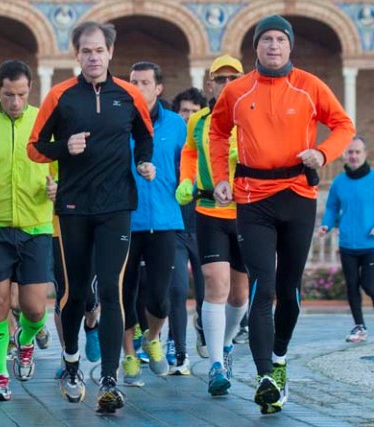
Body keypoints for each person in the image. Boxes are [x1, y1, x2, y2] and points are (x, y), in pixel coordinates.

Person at [209, 15, 355, 414]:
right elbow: (217, 132)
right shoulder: (237, 90)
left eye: (280, 39)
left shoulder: (310, 86)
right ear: (255, 47)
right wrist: (221, 177)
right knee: (263, 286)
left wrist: (323, 153)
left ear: (290, 46)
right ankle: (265, 378)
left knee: (289, 290)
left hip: (297, 195)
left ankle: (279, 359)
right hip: (252, 198)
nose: (273, 46)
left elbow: (343, 125)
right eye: (266, 39)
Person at [28, 21, 155, 413]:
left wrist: (144, 160)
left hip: (117, 207)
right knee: (77, 293)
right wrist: (65, 146)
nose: (94, 57)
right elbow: (35, 148)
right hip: (73, 208)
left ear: (111, 53)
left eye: (100, 50)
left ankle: (110, 380)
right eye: (87, 51)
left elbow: (145, 135)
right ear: (76, 54)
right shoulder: (61, 96)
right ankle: (70, 363)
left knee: (112, 294)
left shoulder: (129, 95)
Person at [0, 59, 52, 401]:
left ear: (29, 90)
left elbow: (63, 167)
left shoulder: (45, 123)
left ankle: (26, 340)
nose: (15, 102)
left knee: (34, 309)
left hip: (36, 225)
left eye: (21, 94)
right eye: (7, 95)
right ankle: (1, 374)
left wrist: (58, 186)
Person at [177, 54, 250, 396]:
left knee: (239, 293)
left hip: (248, 213)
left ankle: (227, 342)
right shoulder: (200, 121)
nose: (225, 85)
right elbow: (190, 153)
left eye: (231, 78)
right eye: (219, 79)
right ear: (209, 84)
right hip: (209, 208)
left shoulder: (251, 117)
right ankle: (217, 364)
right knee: (214, 283)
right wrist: (186, 180)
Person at [120, 61, 186, 385]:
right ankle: (130, 354)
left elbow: (184, 165)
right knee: (124, 293)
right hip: (125, 220)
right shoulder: (120, 121)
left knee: (160, 297)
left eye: (145, 82)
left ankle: (153, 338)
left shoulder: (176, 124)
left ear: (158, 88)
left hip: (164, 219)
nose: (138, 87)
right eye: (133, 82)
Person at [319, 136, 374, 343]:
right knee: (351, 286)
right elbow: (332, 206)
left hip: (370, 244)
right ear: (345, 154)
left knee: (369, 285)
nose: (353, 156)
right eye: (350, 152)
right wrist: (326, 223)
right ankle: (359, 327)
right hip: (348, 245)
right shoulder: (339, 182)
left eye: (357, 152)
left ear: (365, 154)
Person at [167, 86, 206, 367]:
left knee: (208, 292)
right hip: (176, 227)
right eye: (184, 111)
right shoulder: (169, 142)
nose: (188, 116)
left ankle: (205, 326)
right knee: (177, 290)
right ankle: (179, 349)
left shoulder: (207, 143)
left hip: (205, 225)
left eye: (194, 111)